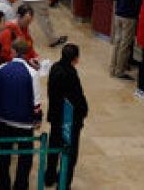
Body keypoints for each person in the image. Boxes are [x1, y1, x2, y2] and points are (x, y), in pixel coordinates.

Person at [0, 40, 43, 190]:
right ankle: (21, 185)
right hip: (24, 124)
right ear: (26, 53)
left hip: (4, 120)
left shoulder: (1, 68)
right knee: (25, 157)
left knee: (4, 155)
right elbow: (36, 102)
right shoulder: (32, 73)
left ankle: (3, 185)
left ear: (13, 51)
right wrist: (38, 119)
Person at [45, 43, 88, 188]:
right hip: (69, 121)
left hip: (55, 117)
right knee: (69, 155)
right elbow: (77, 98)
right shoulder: (70, 74)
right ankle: (63, 184)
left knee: (53, 148)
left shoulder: (55, 67)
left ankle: (49, 176)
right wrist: (83, 110)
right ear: (75, 58)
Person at [110, 0, 143, 80]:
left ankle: (113, 67)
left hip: (118, 14)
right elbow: (138, 1)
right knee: (125, 44)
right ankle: (120, 71)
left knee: (117, 42)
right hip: (129, 17)